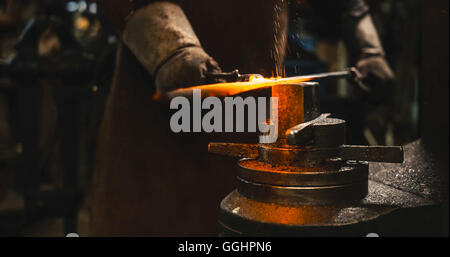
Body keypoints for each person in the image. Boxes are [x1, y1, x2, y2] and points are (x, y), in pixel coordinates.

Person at [92, 0, 393, 236]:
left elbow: (342, 5)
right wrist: (173, 49)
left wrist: (369, 47)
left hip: (256, 139)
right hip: (155, 143)